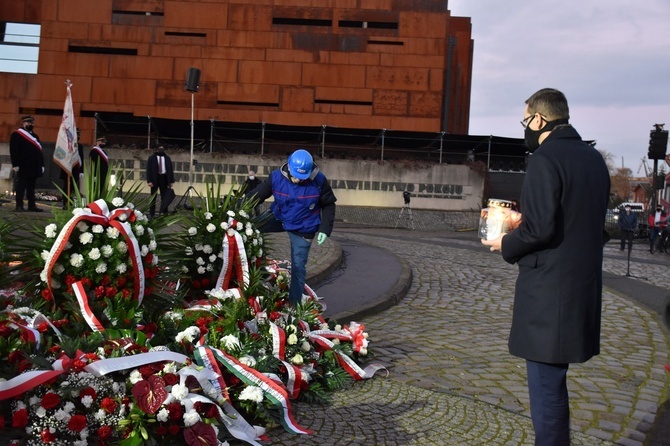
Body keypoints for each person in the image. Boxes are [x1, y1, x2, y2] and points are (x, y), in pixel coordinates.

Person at [482, 88, 610, 446]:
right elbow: (586, 222)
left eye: (526, 120)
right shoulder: (594, 159)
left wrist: (505, 240)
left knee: (546, 390)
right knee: (553, 384)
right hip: (581, 289)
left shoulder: (544, 158)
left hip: (548, 295)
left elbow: (541, 230)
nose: (525, 127)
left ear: (539, 119)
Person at [246, 149, 337, 306]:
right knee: (249, 229)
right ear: (288, 167)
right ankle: (253, 278)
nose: (298, 180)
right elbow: (257, 195)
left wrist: (324, 229)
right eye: (296, 176)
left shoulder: (319, 181)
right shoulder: (276, 177)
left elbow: (329, 205)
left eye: (303, 177)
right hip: (278, 217)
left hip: (304, 226)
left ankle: (294, 305)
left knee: (298, 266)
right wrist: (237, 207)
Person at [9, 115, 45, 212]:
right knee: (20, 187)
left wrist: (42, 165)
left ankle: (32, 206)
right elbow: (14, 151)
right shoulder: (16, 135)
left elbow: (39, 152)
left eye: (31, 123)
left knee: (31, 188)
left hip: (34, 166)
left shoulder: (35, 136)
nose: (30, 124)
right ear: (23, 123)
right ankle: (19, 206)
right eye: (28, 122)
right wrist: (15, 164)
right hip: (22, 166)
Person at [146, 146, 175, 218]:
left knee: (164, 197)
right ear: (156, 149)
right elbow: (148, 170)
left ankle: (164, 213)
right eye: (160, 148)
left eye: (162, 148)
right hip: (155, 179)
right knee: (153, 197)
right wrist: (149, 181)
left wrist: (171, 181)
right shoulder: (152, 158)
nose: (161, 150)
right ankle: (152, 213)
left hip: (164, 178)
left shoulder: (167, 158)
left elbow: (170, 170)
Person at [59, 128, 85, 209]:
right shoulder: (66, 145)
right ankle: (65, 204)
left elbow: (81, 158)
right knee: (66, 187)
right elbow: (61, 156)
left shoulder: (79, 146)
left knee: (74, 188)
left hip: (76, 170)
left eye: (79, 135)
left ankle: (71, 203)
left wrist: (81, 171)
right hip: (67, 169)